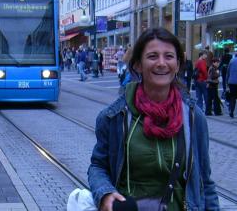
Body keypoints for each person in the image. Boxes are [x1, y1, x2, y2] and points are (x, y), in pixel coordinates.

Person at [88, 28, 220, 211]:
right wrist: (105, 193)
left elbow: (204, 181)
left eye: (169, 56)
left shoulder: (193, 117)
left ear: (178, 63)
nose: (161, 63)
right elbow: (97, 167)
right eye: (152, 56)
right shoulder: (114, 116)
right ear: (138, 65)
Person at [226, 52, 237, 118]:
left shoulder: (231, 61)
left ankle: (231, 111)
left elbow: (228, 72)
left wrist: (227, 82)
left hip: (232, 82)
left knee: (233, 97)